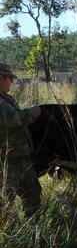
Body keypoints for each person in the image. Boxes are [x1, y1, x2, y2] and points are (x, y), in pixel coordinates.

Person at [0, 61, 42, 217]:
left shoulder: (7, 99)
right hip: (6, 160)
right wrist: (34, 112)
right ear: (1, 78)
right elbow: (15, 120)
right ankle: (9, 235)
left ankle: (34, 229)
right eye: (9, 78)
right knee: (6, 201)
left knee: (33, 192)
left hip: (20, 157)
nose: (11, 81)